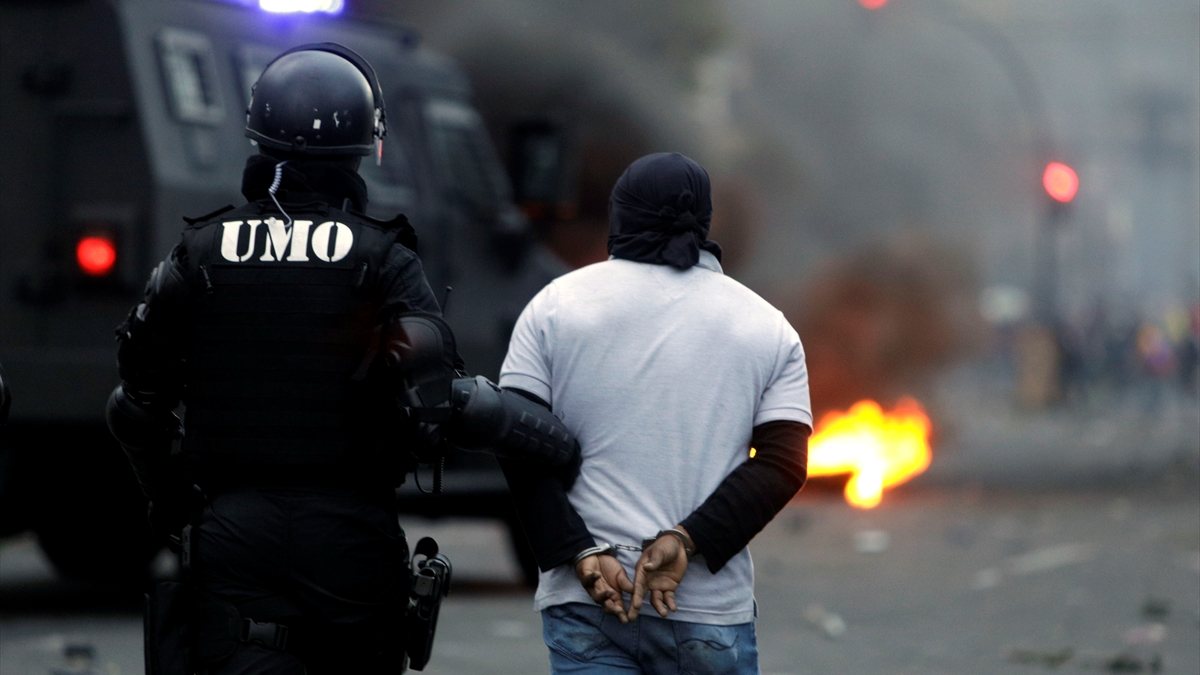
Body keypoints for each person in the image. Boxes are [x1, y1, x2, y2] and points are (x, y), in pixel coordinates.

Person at [105, 43, 578, 674]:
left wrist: (171, 505)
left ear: (259, 136)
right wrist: (555, 443)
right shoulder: (383, 259)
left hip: (230, 530)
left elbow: (135, 404)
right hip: (349, 531)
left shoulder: (198, 253)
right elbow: (435, 401)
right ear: (364, 145)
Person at [498, 152, 812, 674]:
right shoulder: (766, 326)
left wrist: (578, 552)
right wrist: (688, 540)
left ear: (621, 215)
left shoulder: (555, 306)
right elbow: (784, 462)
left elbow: (515, 441)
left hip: (587, 604)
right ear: (705, 221)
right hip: (708, 612)